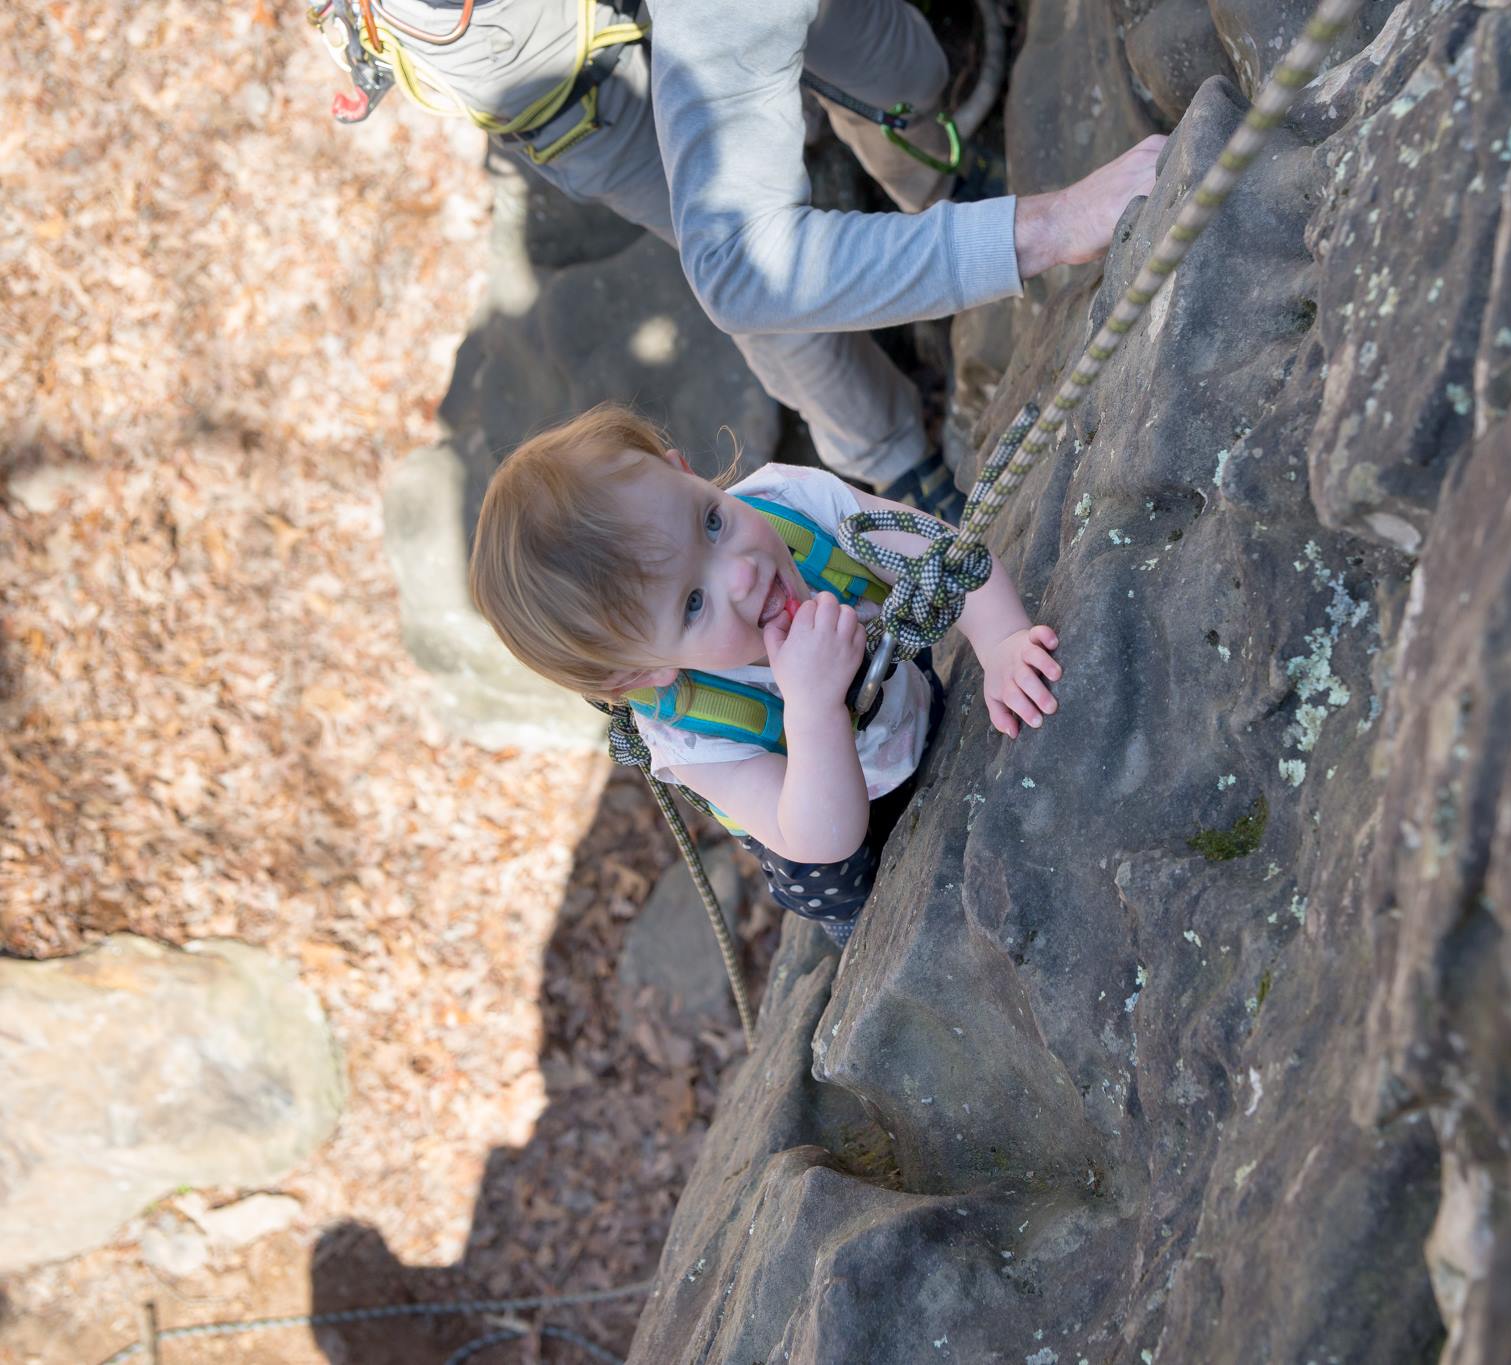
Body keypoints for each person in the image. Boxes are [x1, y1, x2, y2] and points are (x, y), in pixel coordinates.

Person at [349, 0, 1165, 520]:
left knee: (895, 67)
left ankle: (932, 166)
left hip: (545, 65)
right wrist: (1050, 228)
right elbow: (746, 266)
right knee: (749, 276)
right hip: (558, 84)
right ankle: (894, 457)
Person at [466, 403, 1062, 945]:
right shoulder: (691, 733)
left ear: (686, 472)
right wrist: (812, 711)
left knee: (911, 675)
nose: (742, 575)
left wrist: (1002, 639)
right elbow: (821, 836)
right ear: (638, 674)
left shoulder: (795, 506)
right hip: (820, 823)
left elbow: (939, 555)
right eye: (693, 604)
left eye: (711, 523)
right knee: (837, 883)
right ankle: (855, 930)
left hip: (899, 691)